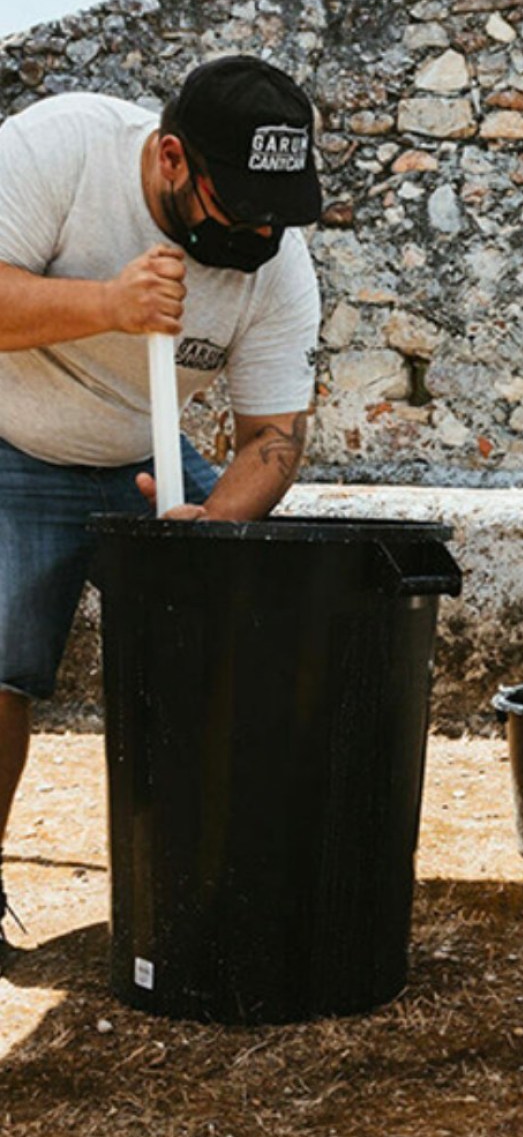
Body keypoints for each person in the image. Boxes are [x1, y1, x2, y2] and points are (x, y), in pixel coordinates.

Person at [0, 54, 323, 969]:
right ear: (173, 160)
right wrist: (108, 303)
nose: (261, 228)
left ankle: (204, 882)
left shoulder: (277, 263)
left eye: (278, 209)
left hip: (146, 453)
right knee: (0, 666)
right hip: (10, 439)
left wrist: (214, 528)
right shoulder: (63, 149)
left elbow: (272, 436)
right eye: (242, 203)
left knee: (224, 650)